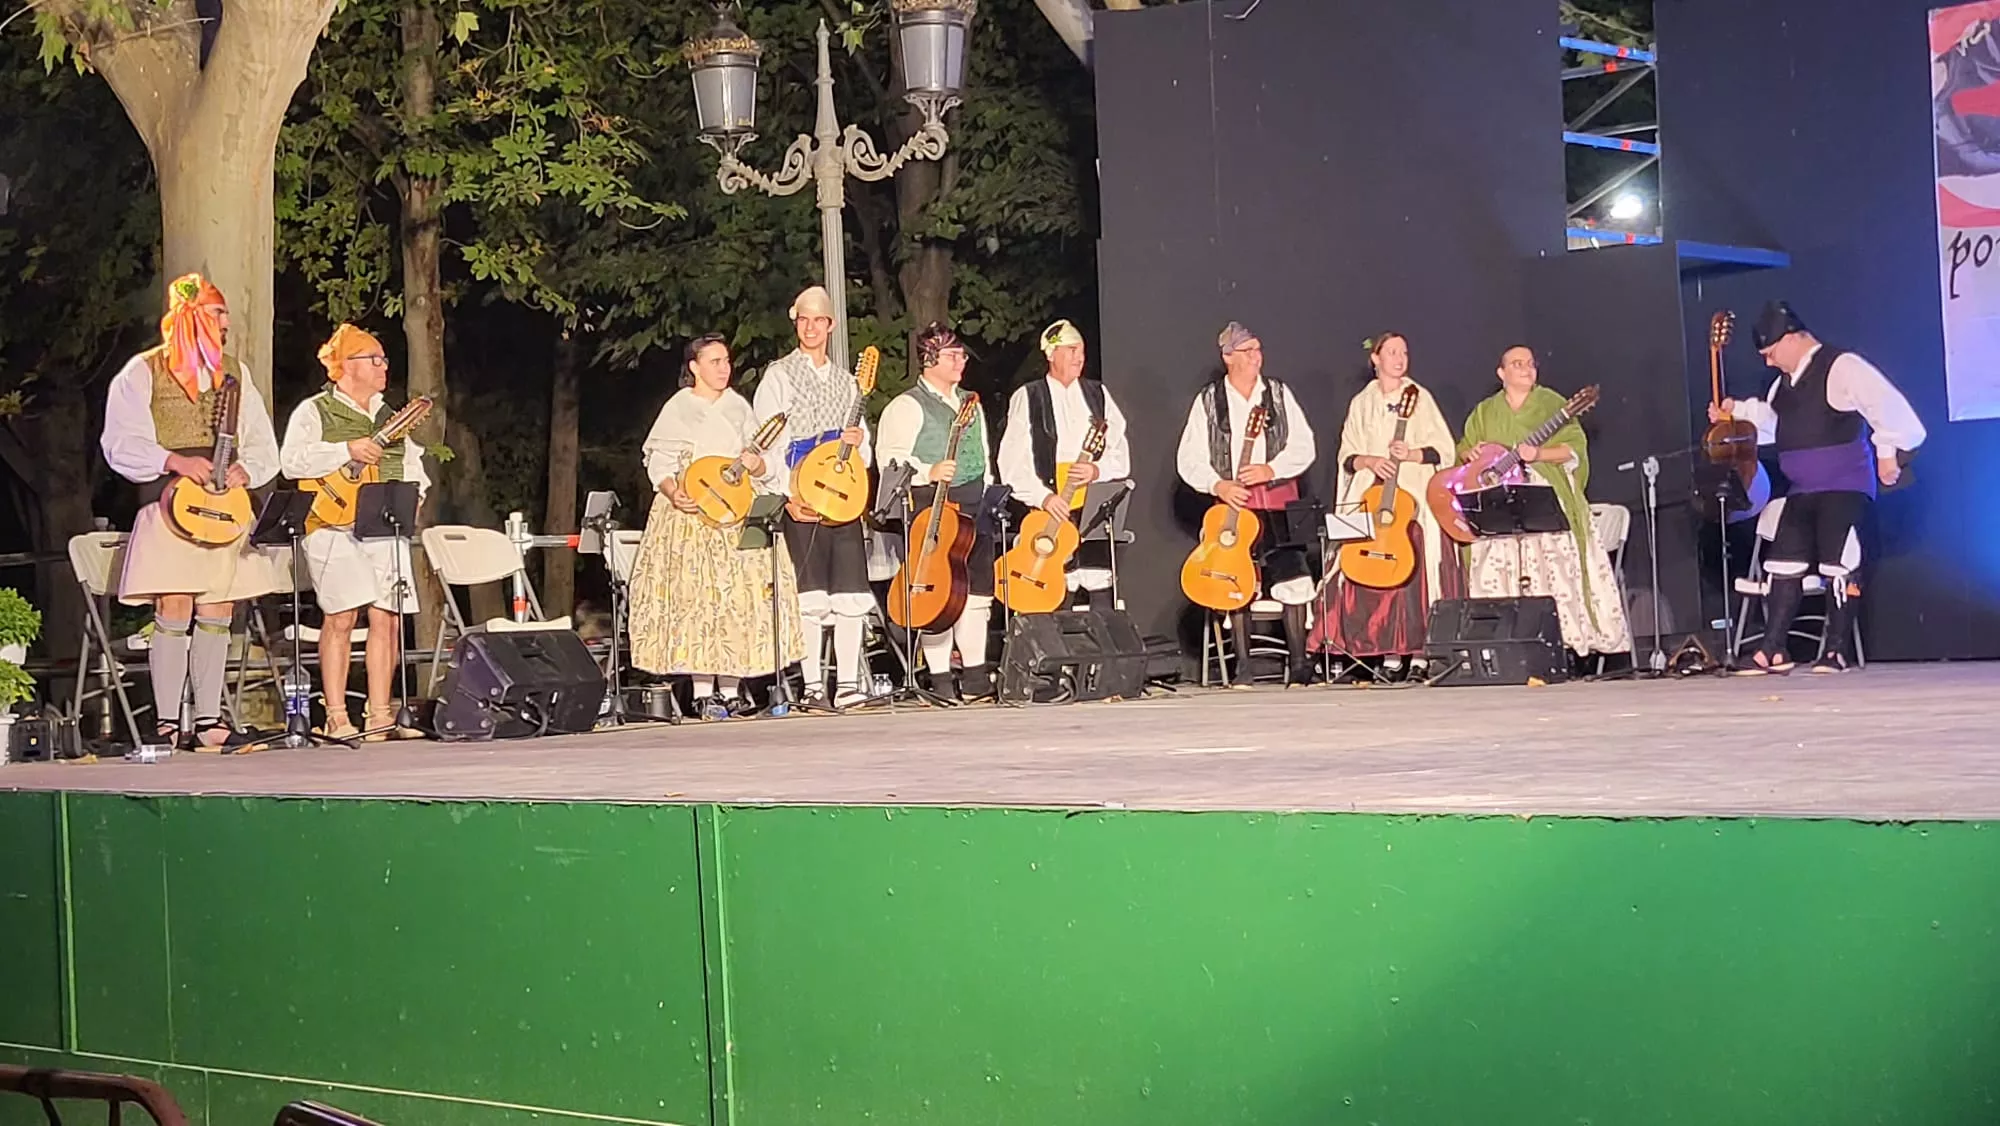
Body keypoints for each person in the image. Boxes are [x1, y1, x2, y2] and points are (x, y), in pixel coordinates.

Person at [100, 274, 281, 747]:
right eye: (218, 312)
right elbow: (120, 442)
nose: (226, 322)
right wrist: (174, 460)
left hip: (224, 503)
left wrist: (246, 469)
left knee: (219, 604)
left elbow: (261, 441)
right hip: (170, 502)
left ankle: (208, 721)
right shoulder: (144, 371)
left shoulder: (235, 375)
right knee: (174, 602)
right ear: (193, 315)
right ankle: (165, 720)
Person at [1712, 301, 1926, 674]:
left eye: (1771, 353)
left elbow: (1883, 405)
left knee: (1839, 563)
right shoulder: (1782, 385)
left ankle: (1836, 650)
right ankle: (1772, 649)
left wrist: (1887, 453)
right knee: (1783, 564)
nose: (1769, 362)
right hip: (1802, 491)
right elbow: (1774, 425)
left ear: (1791, 339)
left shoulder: (1841, 366)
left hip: (1844, 487)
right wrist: (1736, 415)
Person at [627, 334, 804, 719]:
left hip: (734, 513)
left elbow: (764, 462)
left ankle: (732, 688)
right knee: (698, 599)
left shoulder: (738, 407)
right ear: (694, 367)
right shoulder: (679, 407)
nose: (724, 368)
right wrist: (674, 492)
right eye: (715, 362)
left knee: (736, 599)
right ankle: (703, 692)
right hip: (691, 515)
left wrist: (758, 465)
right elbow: (659, 461)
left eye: (726, 361)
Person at [278, 324, 431, 740]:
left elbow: (412, 464)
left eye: (384, 359)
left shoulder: (388, 416)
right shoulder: (315, 411)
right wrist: (345, 449)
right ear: (346, 366)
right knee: (342, 616)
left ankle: (380, 714)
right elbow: (291, 462)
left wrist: (417, 494)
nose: (384, 367)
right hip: (331, 525)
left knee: (388, 616)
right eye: (374, 359)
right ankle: (336, 715)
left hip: (382, 523)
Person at [1458, 346, 1631, 657]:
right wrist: (1469, 453)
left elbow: (1574, 449)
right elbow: (1464, 449)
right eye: (1517, 364)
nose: (1526, 368)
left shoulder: (1552, 403)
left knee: (1552, 567)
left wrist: (1538, 454)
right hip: (1498, 504)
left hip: (1542, 496)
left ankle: (1559, 643)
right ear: (1501, 373)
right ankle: (1502, 644)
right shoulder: (1485, 411)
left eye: (1530, 363)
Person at [1174, 321, 1319, 686]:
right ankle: (1243, 667)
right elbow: (1189, 458)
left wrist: (1272, 468)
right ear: (1228, 357)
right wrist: (1218, 484)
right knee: (1234, 576)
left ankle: (1299, 664)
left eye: (1258, 349)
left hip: (1277, 503)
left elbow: (1304, 445)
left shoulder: (1278, 394)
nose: (1257, 356)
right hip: (1233, 509)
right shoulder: (1210, 401)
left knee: (1294, 576)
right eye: (1248, 351)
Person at [752, 286, 875, 707]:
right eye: (804, 319)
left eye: (818, 320)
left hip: (842, 494)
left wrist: (858, 441)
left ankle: (848, 684)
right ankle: (812, 685)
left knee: (849, 593)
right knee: (810, 594)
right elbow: (767, 439)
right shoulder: (779, 375)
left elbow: (863, 449)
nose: (810, 328)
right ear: (796, 322)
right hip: (802, 490)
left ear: (830, 325)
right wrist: (786, 493)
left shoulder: (848, 382)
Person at [1316, 332, 1462, 669]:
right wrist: (1369, 461)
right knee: (1354, 557)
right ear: (1376, 359)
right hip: (1370, 493)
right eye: (1392, 352)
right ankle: (1368, 649)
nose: (1399, 359)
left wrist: (1411, 453)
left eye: (1404, 352)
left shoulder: (1419, 397)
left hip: (1410, 496)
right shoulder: (1362, 402)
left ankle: (1418, 652)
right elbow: (1347, 456)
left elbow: (1444, 449)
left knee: (1412, 553)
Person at [875, 323, 998, 702]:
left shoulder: (970, 403)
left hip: (974, 505)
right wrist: (927, 470)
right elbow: (889, 459)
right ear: (930, 359)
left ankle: (975, 677)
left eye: (962, 355)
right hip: (932, 505)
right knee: (938, 591)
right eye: (952, 355)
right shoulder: (907, 406)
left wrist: (988, 487)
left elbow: (982, 452)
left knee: (976, 592)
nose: (961, 362)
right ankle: (941, 678)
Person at [995, 319, 1133, 609]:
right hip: (1051, 506)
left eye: (1081, 350)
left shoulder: (1098, 394)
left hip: (1091, 508)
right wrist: (1043, 497)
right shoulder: (1029, 396)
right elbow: (1011, 461)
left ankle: (1101, 638)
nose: (1079, 357)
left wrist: (1097, 470)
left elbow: (1119, 451)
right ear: (1051, 354)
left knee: (1098, 580)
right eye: (1071, 350)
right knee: (1055, 581)